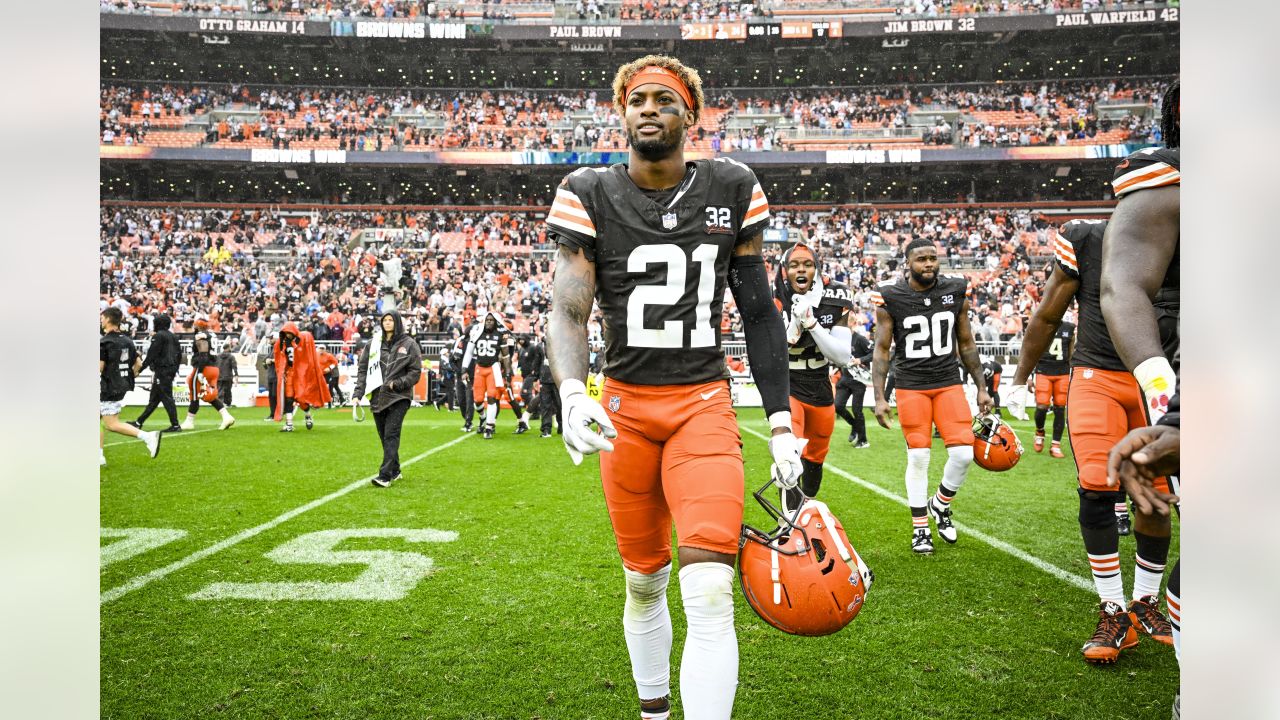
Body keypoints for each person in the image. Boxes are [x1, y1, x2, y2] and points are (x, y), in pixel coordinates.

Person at [544, 55, 802, 720]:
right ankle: (654, 711)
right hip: (625, 408)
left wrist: (779, 422)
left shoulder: (733, 184)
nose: (649, 109)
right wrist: (573, 392)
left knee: (712, 590)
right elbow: (569, 306)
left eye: (664, 98)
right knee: (643, 583)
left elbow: (758, 311)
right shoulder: (588, 189)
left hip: (702, 405)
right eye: (637, 100)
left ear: (691, 113)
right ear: (622, 113)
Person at [1005, 218, 1176, 665]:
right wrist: (1020, 378)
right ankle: (1113, 609)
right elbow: (1048, 313)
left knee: (1158, 497)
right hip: (1098, 375)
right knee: (1098, 486)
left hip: (1161, 379)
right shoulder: (1090, 239)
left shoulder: (1189, 234)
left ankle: (1145, 601)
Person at [870, 238, 992, 555]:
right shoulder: (891, 296)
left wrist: (981, 386)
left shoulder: (955, 291)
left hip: (948, 381)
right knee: (919, 457)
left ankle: (940, 503)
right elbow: (882, 350)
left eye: (933, 258)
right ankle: (920, 528)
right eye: (921, 259)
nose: (929, 264)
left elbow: (966, 344)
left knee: (964, 454)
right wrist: (879, 396)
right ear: (907, 263)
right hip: (911, 385)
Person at [772, 241, 853, 510]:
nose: (801, 269)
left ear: (817, 269)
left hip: (819, 384)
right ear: (785, 270)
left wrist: (812, 324)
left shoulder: (835, 297)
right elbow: (776, 350)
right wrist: (794, 323)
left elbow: (841, 357)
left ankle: (806, 514)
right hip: (787, 384)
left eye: (807, 264)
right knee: (789, 454)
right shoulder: (770, 297)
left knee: (816, 457)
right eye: (794, 265)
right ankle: (788, 521)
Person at [353, 311, 422, 488]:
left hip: (399, 396)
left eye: (391, 320)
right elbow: (363, 370)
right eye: (385, 320)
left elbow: (415, 371)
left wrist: (398, 383)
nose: (388, 323)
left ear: (397, 322)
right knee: (384, 436)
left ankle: (385, 476)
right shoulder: (373, 344)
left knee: (391, 434)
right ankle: (396, 470)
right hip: (377, 396)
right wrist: (357, 393)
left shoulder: (409, 344)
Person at [100, 307, 161, 466]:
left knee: (111, 424)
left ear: (107, 319)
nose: (100, 321)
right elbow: (138, 364)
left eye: (102, 318)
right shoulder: (127, 340)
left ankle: (148, 436)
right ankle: (99, 456)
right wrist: (127, 377)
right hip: (120, 385)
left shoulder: (104, 342)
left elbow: (99, 368)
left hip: (107, 387)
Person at [1018, 312, 1075, 458]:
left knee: (1060, 408)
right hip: (1043, 370)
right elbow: (1031, 352)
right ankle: (1040, 431)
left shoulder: (1069, 328)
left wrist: (1073, 374)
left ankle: (1055, 444)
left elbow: (1071, 354)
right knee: (1042, 406)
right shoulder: (1040, 326)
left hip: (1062, 371)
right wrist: (1029, 376)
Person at [463, 311, 526, 439]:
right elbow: (469, 352)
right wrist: (464, 369)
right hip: (479, 369)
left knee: (493, 398)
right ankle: (483, 418)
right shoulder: (477, 333)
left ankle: (489, 427)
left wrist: (508, 374)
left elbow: (506, 356)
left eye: (492, 320)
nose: (489, 322)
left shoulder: (501, 336)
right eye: (487, 320)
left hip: (494, 368)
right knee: (478, 400)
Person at [273, 321, 332, 431]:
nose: (288, 335)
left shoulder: (304, 338)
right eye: (286, 333)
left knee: (301, 398)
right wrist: (282, 372)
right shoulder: (281, 342)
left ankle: (308, 415)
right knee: (289, 398)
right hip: (290, 372)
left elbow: (309, 354)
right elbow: (279, 358)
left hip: (301, 372)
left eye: (289, 332)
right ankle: (289, 424)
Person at [130, 313, 182, 432]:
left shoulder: (158, 336)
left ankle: (175, 425)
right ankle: (139, 422)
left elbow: (151, 355)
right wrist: (175, 369)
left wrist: (139, 370)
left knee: (167, 398)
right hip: (170, 370)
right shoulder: (173, 336)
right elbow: (179, 355)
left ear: (158, 324)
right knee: (155, 399)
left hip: (162, 371)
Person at [180, 324, 236, 431]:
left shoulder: (202, 335)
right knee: (209, 395)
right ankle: (226, 416)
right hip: (213, 368)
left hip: (203, 367)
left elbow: (203, 353)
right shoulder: (211, 334)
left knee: (194, 394)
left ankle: (189, 421)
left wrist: (200, 371)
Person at [834, 327, 874, 448]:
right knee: (838, 406)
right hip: (845, 378)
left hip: (858, 380)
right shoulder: (840, 340)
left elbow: (874, 352)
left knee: (857, 410)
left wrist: (860, 360)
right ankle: (855, 426)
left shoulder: (860, 339)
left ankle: (863, 440)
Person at [215, 339, 238, 407]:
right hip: (228, 376)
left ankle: (219, 404)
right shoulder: (231, 356)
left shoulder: (218, 356)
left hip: (219, 376)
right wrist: (236, 374)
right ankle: (228, 403)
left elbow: (214, 365)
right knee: (228, 391)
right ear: (228, 348)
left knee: (219, 390)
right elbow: (234, 366)